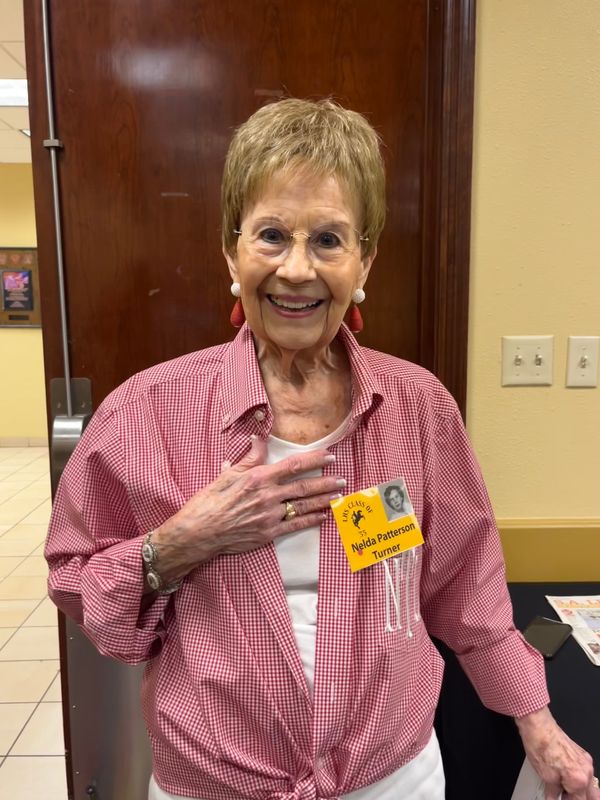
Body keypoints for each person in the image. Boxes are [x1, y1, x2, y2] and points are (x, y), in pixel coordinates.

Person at [45, 98, 599, 800]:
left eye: (329, 240)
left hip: (392, 780)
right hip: (215, 787)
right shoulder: (145, 413)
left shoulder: (417, 409)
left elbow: (468, 592)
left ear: (365, 257)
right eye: (272, 235)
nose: (298, 270)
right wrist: (179, 543)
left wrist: (539, 726)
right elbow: (75, 582)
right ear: (231, 249)